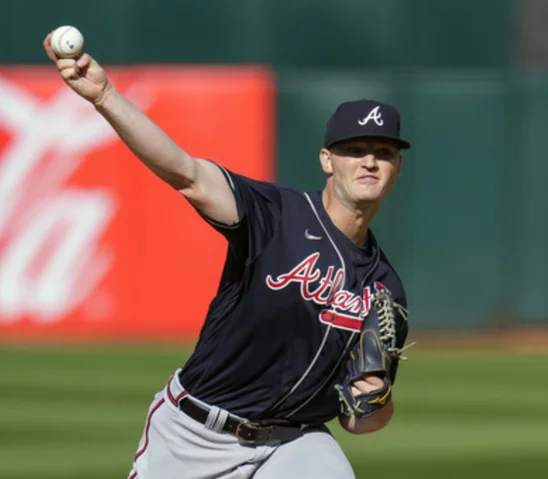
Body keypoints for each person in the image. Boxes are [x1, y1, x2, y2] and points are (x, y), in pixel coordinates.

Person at [43, 32, 411, 479]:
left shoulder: (383, 286)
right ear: (327, 161)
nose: (369, 161)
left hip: (294, 441)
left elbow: (359, 421)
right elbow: (187, 173)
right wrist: (105, 96)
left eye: (383, 152)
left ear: (397, 167)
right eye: (354, 150)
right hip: (194, 433)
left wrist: (377, 400)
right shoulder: (275, 213)